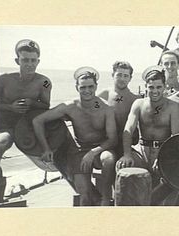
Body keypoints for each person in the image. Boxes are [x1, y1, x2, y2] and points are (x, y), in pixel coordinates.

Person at [33, 67, 118, 206]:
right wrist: (46, 148)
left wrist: (93, 152)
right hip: (79, 151)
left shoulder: (106, 108)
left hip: (101, 149)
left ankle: (106, 198)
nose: (87, 90)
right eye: (83, 87)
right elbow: (37, 121)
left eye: (91, 86)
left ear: (96, 86)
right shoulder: (69, 106)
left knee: (108, 159)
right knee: (84, 195)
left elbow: (113, 139)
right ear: (77, 87)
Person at [0, 39, 52, 204]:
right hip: (1, 124)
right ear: (17, 60)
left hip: (24, 127)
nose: (29, 64)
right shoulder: (3, 79)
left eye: (33, 60)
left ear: (38, 61)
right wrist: (10, 107)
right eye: (25, 60)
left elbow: (45, 105)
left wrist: (31, 103)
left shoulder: (44, 81)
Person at [116, 66, 179, 204]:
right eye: (151, 87)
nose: (155, 91)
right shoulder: (138, 104)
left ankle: (154, 206)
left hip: (163, 150)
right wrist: (127, 154)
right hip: (141, 150)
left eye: (158, 87)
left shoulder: (173, 107)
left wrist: (165, 156)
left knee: (171, 177)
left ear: (164, 87)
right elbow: (128, 129)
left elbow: (175, 136)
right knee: (122, 166)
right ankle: (125, 209)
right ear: (145, 86)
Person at [98, 61, 140, 157]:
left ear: (130, 78)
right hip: (108, 143)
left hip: (129, 144)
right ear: (113, 75)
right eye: (119, 75)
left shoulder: (135, 99)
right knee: (107, 160)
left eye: (126, 76)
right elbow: (91, 107)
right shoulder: (105, 94)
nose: (122, 79)